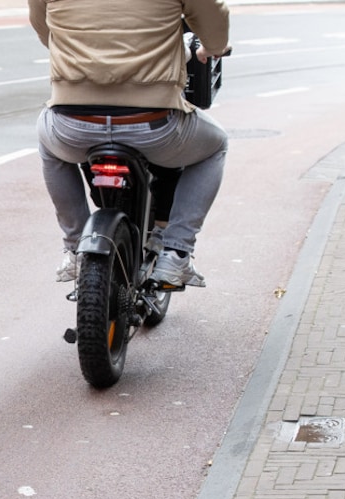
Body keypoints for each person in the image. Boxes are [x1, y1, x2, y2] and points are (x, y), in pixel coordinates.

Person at [28, 0, 230, 289]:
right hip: (153, 124)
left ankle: (75, 247)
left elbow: (44, 27)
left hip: (73, 124)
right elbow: (213, 16)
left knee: (49, 143)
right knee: (216, 145)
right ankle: (177, 253)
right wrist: (213, 48)